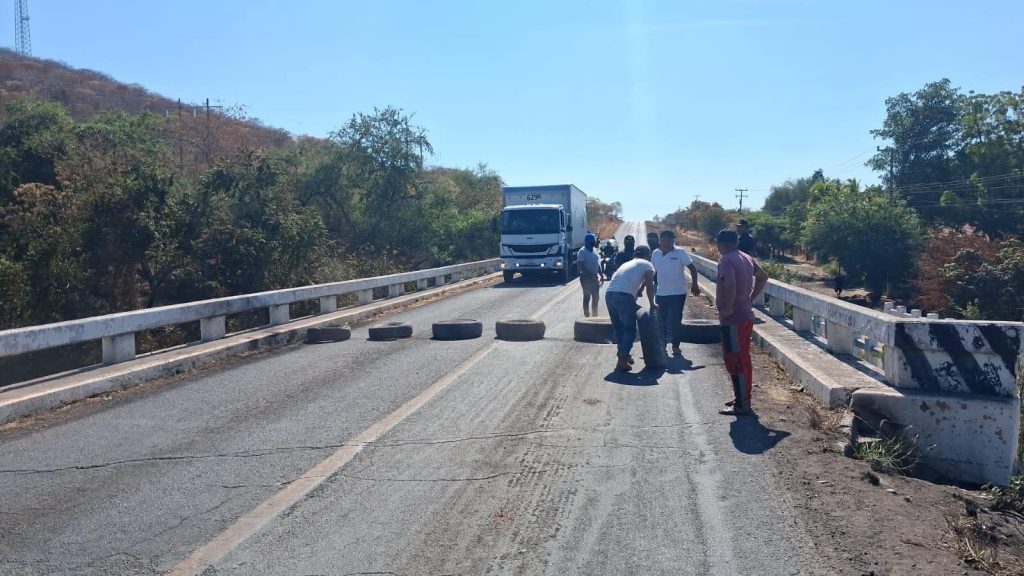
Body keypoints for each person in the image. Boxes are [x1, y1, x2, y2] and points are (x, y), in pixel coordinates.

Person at [713, 228, 768, 416]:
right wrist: (750, 298)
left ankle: (742, 404)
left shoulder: (726, 260)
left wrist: (728, 306)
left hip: (733, 318)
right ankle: (742, 397)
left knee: (735, 360)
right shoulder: (746, 257)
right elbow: (763, 276)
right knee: (743, 358)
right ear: (736, 242)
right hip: (745, 315)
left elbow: (730, 282)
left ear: (721, 244)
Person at [605, 245, 657, 372]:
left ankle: (624, 354)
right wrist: (652, 303)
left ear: (635, 255)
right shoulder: (648, 265)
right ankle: (622, 359)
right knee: (629, 329)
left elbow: (642, 281)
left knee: (619, 328)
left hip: (609, 294)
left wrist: (640, 289)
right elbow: (650, 283)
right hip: (624, 296)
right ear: (648, 256)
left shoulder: (628, 264)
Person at [652, 230, 701, 356]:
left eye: (668, 240)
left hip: (678, 293)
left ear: (673, 240)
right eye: (662, 240)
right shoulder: (655, 253)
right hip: (661, 293)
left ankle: (675, 346)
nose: (665, 243)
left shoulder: (680, 252)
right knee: (661, 321)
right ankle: (662, 345)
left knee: (676, 320)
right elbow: (652, 272)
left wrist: (695, 284)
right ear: (659, 241)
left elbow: (692, 268)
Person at [577, 233, 603, 317]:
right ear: (587, 241)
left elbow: (597, 264)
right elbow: (581, 266)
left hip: (595, 276)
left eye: (593, 240)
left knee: (596, 297)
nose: (593, 242)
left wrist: (601, 275)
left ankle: (595, 314)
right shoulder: (582, 251)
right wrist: (590, 274)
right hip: (585, 277)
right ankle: (587, 315)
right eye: (592, 241)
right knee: (587, 296)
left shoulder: (595, 250)